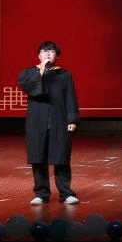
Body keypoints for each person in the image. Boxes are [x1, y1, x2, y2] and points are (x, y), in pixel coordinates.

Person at [16, 40, 80, 205]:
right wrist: (42, 71)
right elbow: (32, 90)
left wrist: (72, 118)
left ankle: (66, 193)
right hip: (37, 121)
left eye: (51, 51)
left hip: (59, 120)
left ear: (57, 56)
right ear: (39, 56)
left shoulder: (64, 75)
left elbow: (70, 97)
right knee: (38, 157)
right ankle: (41, 193)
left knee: (61, 157)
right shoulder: (30, 73)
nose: (48, 54)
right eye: (44, 51)